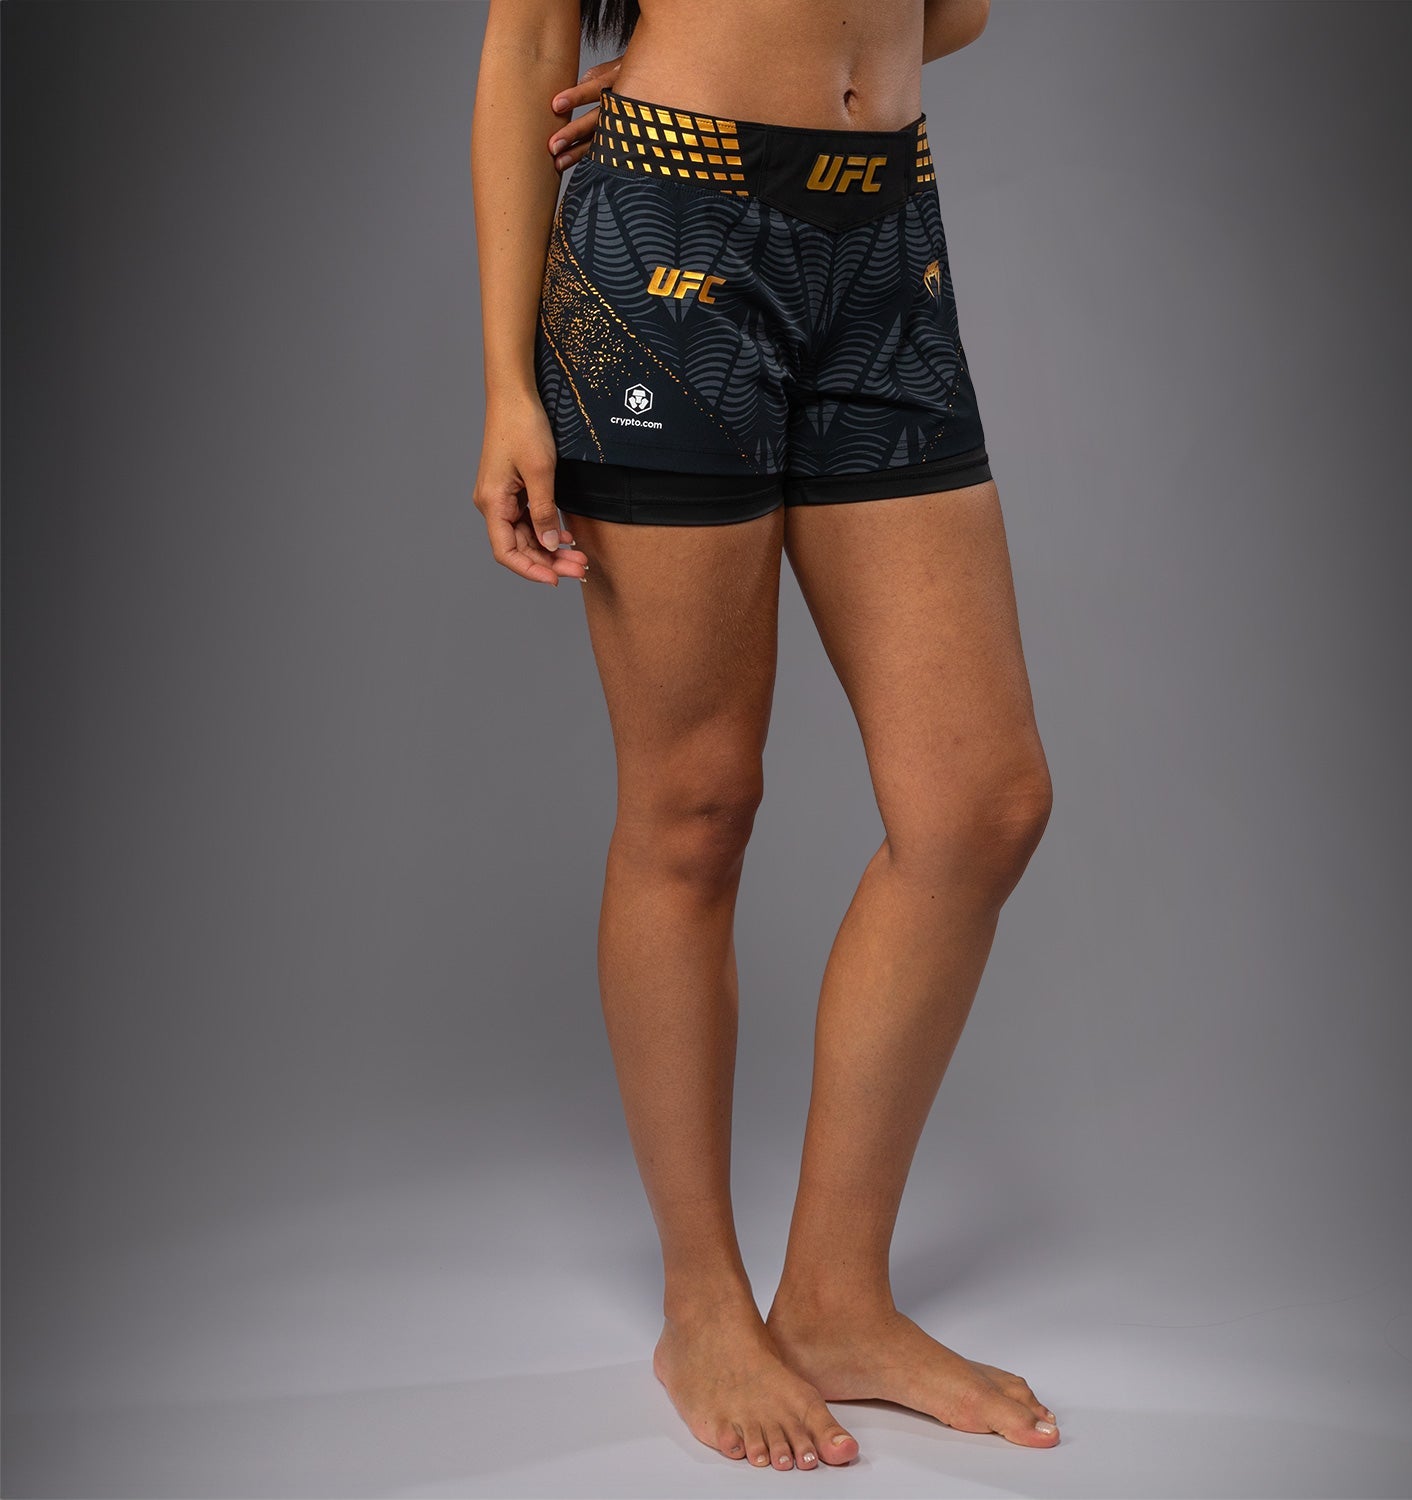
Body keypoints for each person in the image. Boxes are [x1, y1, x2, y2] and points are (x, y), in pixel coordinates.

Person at [471, 0, 1058, 1472]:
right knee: (695, 806)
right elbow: (529, 47)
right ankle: (703, 1306)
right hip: (671, 230)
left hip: (882, 230)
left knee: (980, 806)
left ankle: (840, 1298)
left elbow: (953, 12)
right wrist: (506, 388)